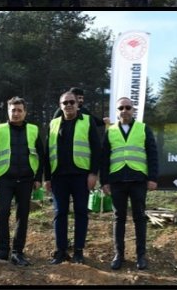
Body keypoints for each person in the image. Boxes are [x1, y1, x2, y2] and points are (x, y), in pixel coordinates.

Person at [0, 96, 46, 266]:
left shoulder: (33, 130)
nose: (16, 113)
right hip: (4, 179)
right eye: (13, 110)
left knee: (23, 216)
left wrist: (38, 177)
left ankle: (18, 252)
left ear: (25, 112)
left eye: (20, 110)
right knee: (3, 213)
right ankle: (3, 250)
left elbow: (41, 156)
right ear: (8, 111)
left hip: (26, 180)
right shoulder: (0, 130)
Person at [45, 89, 102, 264]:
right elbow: (47, 152)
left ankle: (78, 251)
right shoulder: (53, 123)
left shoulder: (87, 121)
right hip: (58, 177)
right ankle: (61, 251)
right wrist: (47, 177)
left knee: (81, 213)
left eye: (72, 102)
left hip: (81, 176)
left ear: (77, 104)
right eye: (65, 103)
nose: (69, 105)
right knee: (59, 213)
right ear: (60, 106)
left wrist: (93, 174)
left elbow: (96, 149)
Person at [101, 97, 158, 270]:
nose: (124, 110)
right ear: (117, 111)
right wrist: (104, 181)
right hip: (117, 180)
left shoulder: (143, 129)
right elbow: (104, 159)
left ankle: (141, 256)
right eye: (121, 108)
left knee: (139, 218)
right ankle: (119, 255)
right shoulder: (110, 131)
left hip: (138, 180)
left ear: (133, 110)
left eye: (128, 107)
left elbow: (152, 154)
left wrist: (153, 178)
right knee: (119, 218)